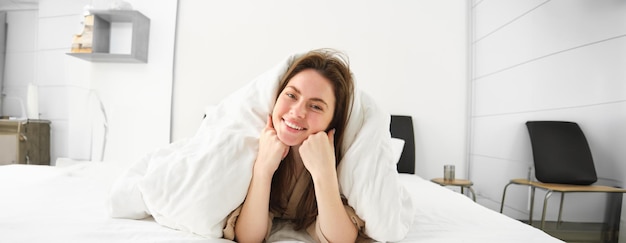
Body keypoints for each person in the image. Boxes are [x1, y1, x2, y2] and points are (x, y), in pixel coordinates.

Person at [222, 49, 370, 242]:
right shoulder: (250, 144)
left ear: (332, 121)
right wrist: (263, 170)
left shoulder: (347, 162)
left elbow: (341, 240)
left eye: (316, 106)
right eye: (291, 95)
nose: (297, 112)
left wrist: (324, 173)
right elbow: (249, 238)